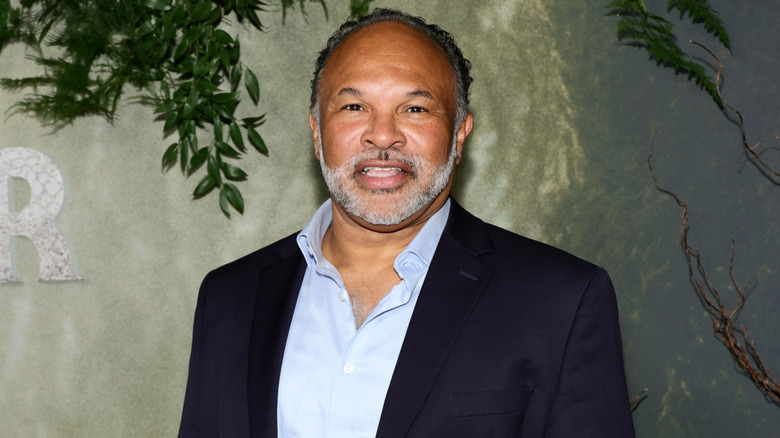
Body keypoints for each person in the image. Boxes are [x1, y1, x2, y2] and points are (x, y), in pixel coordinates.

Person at [178, 8, 635, 438]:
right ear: (317, 133)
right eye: (354, 107)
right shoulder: (230, 297)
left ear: (459, 133)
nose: (382, 135)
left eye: (415, 108)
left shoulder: (561, 300)